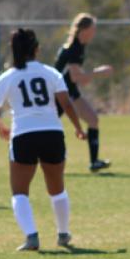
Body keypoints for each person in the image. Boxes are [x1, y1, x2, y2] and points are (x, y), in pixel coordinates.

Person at [0, 28, 86, 251]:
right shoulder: (51, 73)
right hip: (52, 133)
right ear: (36, 49)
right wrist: (78, 128)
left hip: (23, 135)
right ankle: (63, 233)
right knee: (57, 189)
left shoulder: (8, 77)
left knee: (20, 192)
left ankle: (31, 237)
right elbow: (67, 103)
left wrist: (1, 127)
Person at [54, 13, 113, 172]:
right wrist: (98, 72)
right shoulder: (73, 48)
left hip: (69, 91)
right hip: (59, 93)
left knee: (93, 119)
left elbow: (76, 78)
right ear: (84, 30)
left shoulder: (79, 46)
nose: (94, 33)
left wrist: (90, 75)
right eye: (93, 29)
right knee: (48, 127)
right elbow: (76, 77)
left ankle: (94, 162)